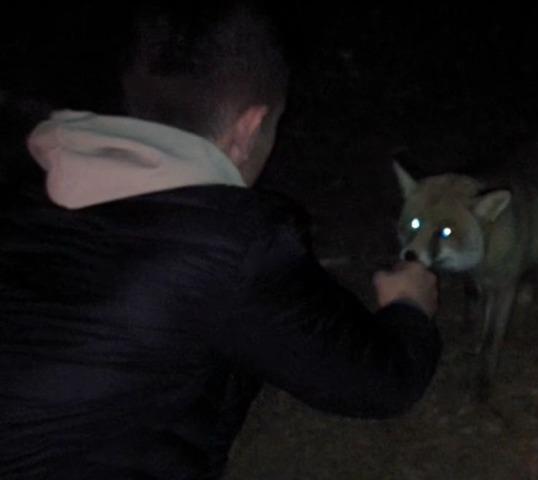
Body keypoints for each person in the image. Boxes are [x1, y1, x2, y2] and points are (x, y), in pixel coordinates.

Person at [0, 3, 440, 479]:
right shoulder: (227, 246)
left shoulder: (22, 177)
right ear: (248, 128)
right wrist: (408, 309)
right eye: (275, 126)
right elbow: (379, 383)